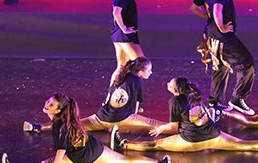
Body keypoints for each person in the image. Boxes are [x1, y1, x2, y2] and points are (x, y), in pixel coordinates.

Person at [2, 93, 170, 163]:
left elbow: (61, 150)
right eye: (48, 101)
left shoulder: (60, 124)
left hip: (82, 158)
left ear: (58, 110)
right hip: (95, 148)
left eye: (51, 105)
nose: (47, 104)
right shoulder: (67, 119)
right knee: (124, 161)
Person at [111, 77, 258, 154]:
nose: (167, 85)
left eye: (169, 85)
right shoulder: (195, 96)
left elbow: (174, 127)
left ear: (176, 90)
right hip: (214, 136)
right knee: (243, 144)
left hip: (192, 140)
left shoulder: (175, 101)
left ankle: (123, 145)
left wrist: (160, 129)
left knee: (155, 145)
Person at [23, 57, 168, 134]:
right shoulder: (137, 81)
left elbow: (112, 98)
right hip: (120, 118)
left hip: (101, 117)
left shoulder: (120, 75)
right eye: (149, 70)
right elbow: (136, 105)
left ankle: (37, 127)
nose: (151, 73)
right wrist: (130, 122)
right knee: (155, 124)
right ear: (141, 72)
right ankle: (178, 129)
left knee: (74, 124)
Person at [190, 0, 256, 115]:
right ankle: (238, 98)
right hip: (222, 37)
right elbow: (217, 9)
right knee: (247, 63)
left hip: (211, 36)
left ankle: (214, 102)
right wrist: (221, 26)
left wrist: (211, 20)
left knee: (221, 67)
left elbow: (193, 8)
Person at [109, 0, 144, 85]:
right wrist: (124, 29)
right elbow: (116, 12)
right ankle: (135, 95)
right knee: (142, 65)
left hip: (118, 35)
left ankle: (110, 95)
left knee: (122, 66)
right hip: (124, 36)